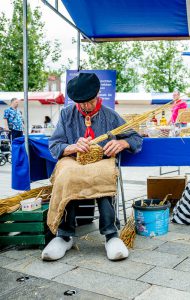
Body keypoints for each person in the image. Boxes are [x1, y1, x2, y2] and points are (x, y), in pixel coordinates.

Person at [42, 73, 143, 262]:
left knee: (104, 174)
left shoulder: (110, 116)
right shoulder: (66, 114)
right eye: (81, 104)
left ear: (97, 95)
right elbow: (55, 145)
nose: (86, 107)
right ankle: (64, 235)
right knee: (66, 175)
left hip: (100, 161)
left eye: (89, 102)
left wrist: (123, 144)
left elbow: (136, 138)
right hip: (73, 161)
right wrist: (70, 147)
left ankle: (111, 235)